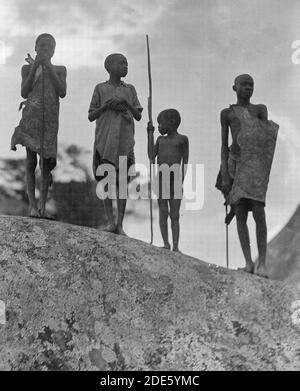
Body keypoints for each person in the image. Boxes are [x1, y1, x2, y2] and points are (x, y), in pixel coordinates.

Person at [217, 74, 279, 277]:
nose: (248, 88)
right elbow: (224, 145)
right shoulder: (227, 113)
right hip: (236, 163)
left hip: (255, 166)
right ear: (234, 87)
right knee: (240, 212)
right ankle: (248, 263)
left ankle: (262, 263)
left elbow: (265, 139)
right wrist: (225, 174)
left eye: (251, 85)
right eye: (244, 85)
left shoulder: (259, 109)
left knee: (259, 211)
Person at [11, 33, 67, 219]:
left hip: (49, 119)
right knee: (30, 161)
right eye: (42, 46)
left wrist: (48, 67)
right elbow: (24, 91)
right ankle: (32, 207)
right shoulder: (27, 68)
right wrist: (36, 65)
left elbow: (62, 91)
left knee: (46, 164)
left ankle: (43, 207)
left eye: (49, 46)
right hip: (32, 117)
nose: (45, 49)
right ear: (35, 48)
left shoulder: (60, 69)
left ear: (54, 50)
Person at [88, 53, 142, 235]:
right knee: (105, 181)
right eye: (122, 63)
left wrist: (125, 102)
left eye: (127, 64)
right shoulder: (100, 88)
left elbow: (138, 115)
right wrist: (108, 106)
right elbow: (91, 115)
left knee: (122, 183)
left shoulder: (130, 89)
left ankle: (120, 225)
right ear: (110, 66)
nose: (126, 67)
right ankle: (110, 222)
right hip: (105, 139)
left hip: (125, 141)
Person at [147, 109, 189, 252]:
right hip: (161, 179)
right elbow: (152, 156)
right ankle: (166, 243)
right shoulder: (160, 140)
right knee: (163, 212)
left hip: (175, 180)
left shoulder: (183, 139)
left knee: (175, 214)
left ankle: (176, 246)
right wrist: (150, 134)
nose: (158, 126)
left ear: (171, 122)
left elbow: (185, 161)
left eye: (160, 123)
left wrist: (182, 179)